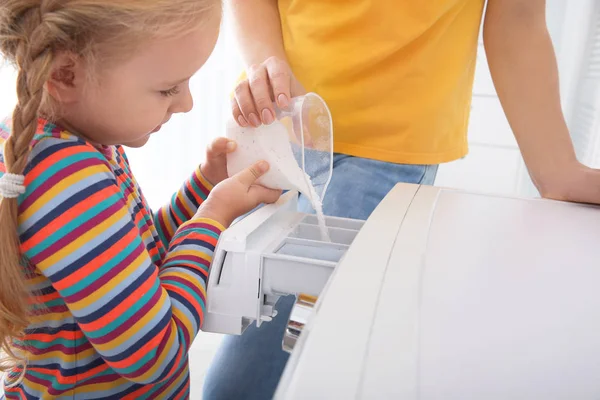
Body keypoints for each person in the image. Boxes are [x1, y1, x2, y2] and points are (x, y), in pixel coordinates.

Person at [203, 1, 600, 399]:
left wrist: (556, 168)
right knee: (241, 372)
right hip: (273, 125)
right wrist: (265, 64)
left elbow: (517, 19)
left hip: (387, 152)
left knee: (255, 381)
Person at [0, 1, 281, 398]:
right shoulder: (63, 176)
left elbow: (139, 261)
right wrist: (212, 219)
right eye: (168, 88)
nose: (186, 104)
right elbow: (154, 353)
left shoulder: (75, 145)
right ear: (65, 74)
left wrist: (204, 187)